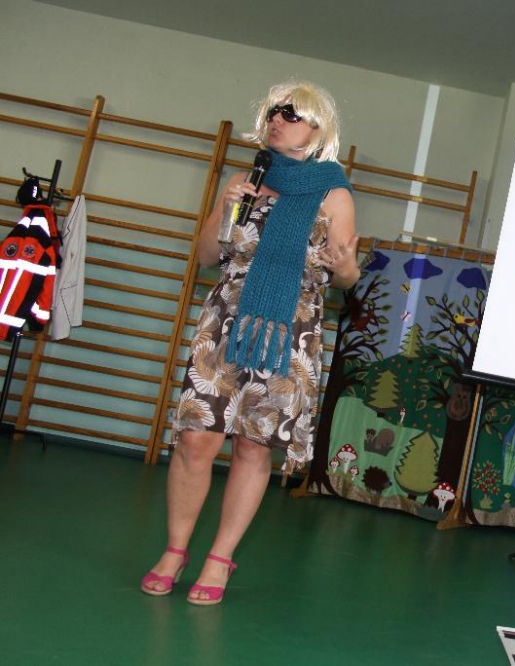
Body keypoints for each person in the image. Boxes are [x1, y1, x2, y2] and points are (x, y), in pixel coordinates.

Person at [140, 80, 360, 605]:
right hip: (226, 322)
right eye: (273, 112)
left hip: (288, 331)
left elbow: (347, 278)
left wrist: (346, 265)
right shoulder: (245, 180)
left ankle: (220, 558)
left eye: (291, 114)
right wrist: (226, 205)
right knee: (195, 440)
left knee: (252, 445)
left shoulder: (334, 194)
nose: (277, 120)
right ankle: (175, 550)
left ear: (317, 129)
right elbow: (205, 256)